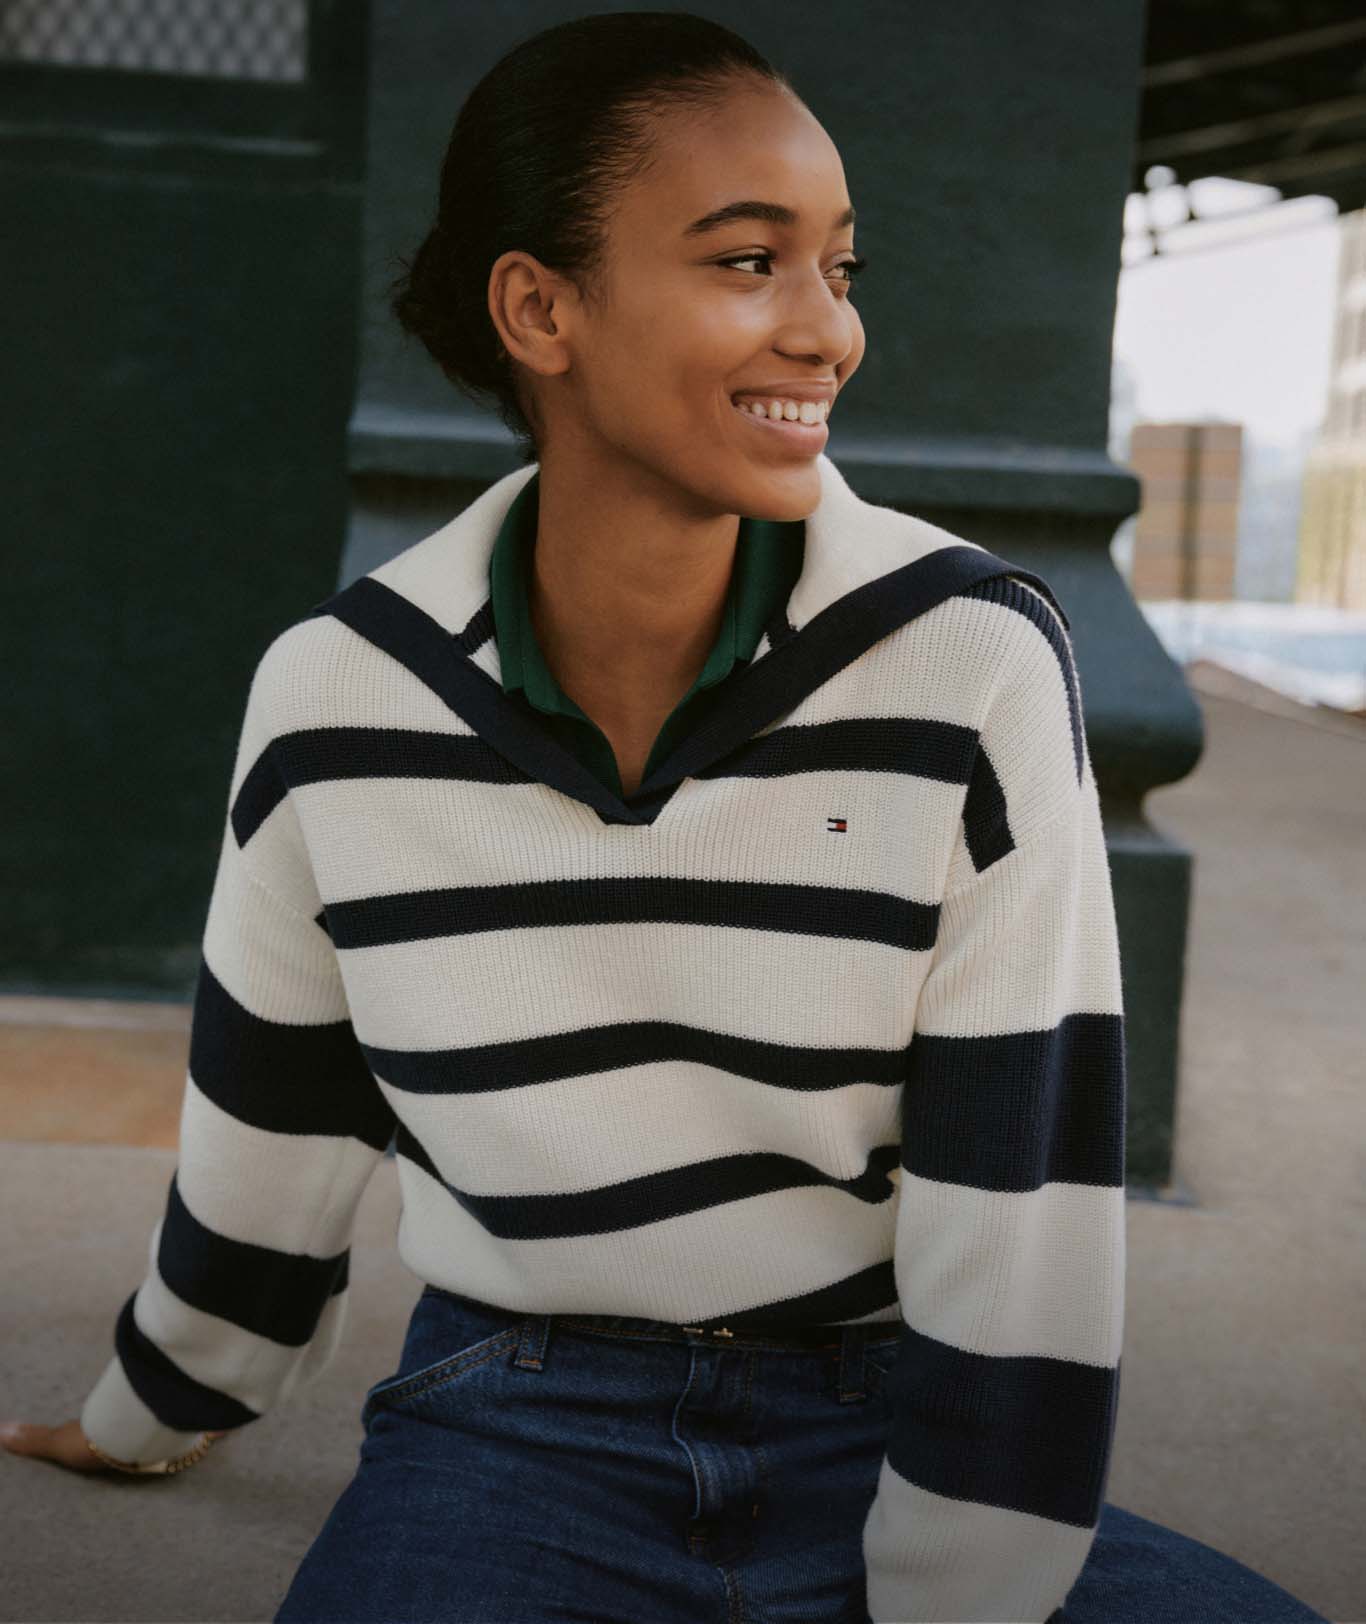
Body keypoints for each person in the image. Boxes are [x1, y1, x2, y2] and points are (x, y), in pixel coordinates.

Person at [0, 12, 1330, 1624]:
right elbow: (279, 1120)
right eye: (746, 260)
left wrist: (963, 1588)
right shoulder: (336, 697)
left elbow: (1020, 1192)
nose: (824, 332)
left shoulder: (966, 660)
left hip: (885, 1420)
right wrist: (156, 1405)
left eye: (840, 268)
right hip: (508, 1420)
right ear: (539, 306)